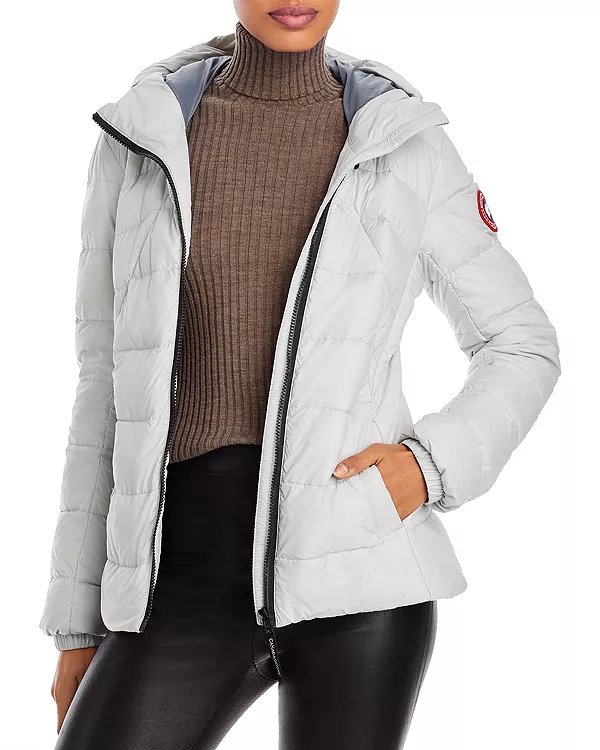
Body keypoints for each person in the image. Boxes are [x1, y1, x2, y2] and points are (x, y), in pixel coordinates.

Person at [39, 1, 561, 748]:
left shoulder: (403, 143)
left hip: (361, 584)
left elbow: (521, 342)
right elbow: (102, 390)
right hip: (177, 579)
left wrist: (426, 467)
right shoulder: (143, 137)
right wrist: (77, 626)